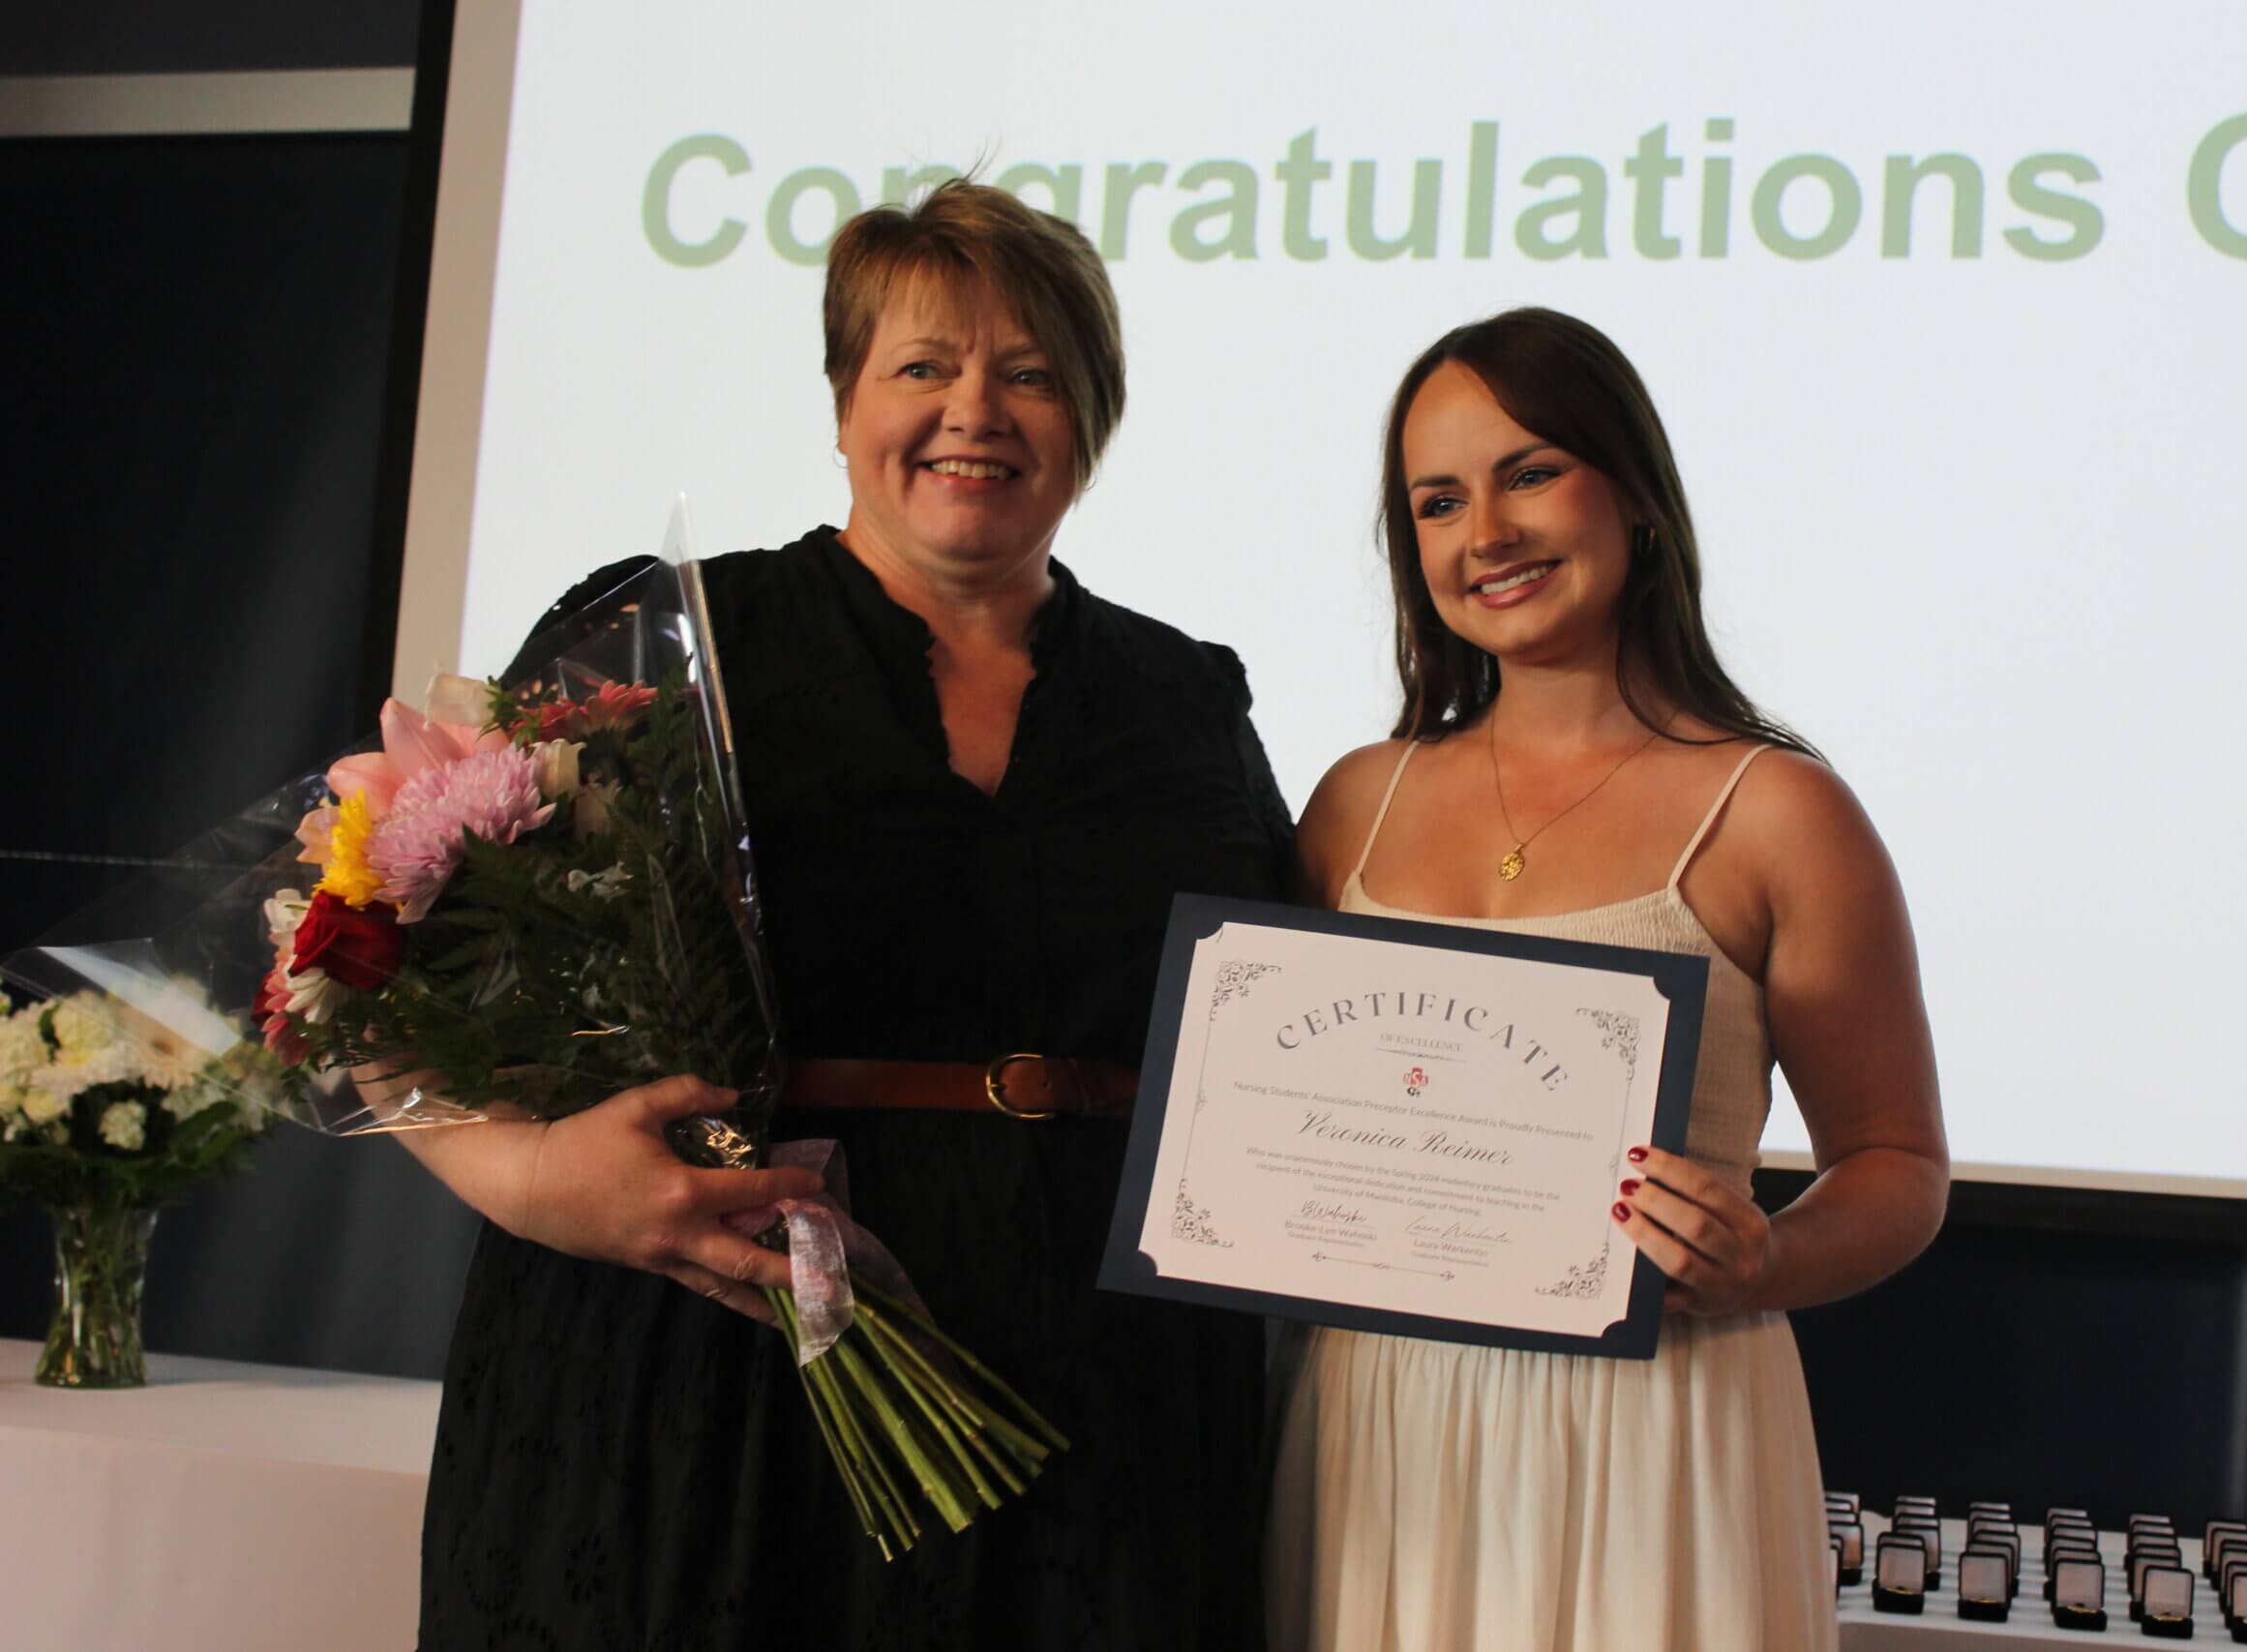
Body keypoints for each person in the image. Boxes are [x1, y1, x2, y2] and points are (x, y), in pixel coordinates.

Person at [396, 182, 1291, 1649]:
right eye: (924, 366)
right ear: (842, 401)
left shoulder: (1188, 699)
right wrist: (537, 1181)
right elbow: (391, 987)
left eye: (1031, 374)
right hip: (708, 1358)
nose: (975, 413)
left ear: (1092, 417)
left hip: (1107, 1390)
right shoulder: (664, 645)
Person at [1265, 308, 1948, 1651]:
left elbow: (1898, 1165)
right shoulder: (1355, 805)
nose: (1487, 534)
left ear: (1633, 496)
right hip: (1377, 1433)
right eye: (1438, 501)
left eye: (1530, 473)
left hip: (1659, 1429)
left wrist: (1768, 1259)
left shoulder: (1776, 812)